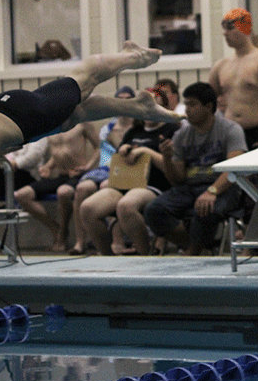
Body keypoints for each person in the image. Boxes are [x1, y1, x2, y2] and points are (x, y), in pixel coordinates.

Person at [0, 41, 176, 179]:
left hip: (21, 117)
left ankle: (132, 55)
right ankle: (139, 107)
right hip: (3, 113)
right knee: (71, 117)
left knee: (83, 81)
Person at [209, 9, 258, 241]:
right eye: (223, 28)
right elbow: (206, 102)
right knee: (240, 195)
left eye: (230, 27)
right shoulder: (221, 66)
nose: (225, 33)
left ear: (246, 28)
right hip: (233, 137)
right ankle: (248, 244)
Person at [143, 82, 247, 256]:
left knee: (205, 210)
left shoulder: (231, 130)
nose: (187, 109)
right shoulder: (181, 135)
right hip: (190, 188)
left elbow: (234, 169)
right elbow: (177, 179)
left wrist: (212, 191)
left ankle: (193, 252)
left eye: (192, 104)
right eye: (187, 104)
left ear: (208, 107)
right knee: (153, 210)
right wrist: (167, 158)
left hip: (223, 187)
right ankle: (197, 249)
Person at [79, 89, 180, 255]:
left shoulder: (172, 131)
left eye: (156, 107)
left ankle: (144, 256)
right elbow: (119, 160)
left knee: (126, 205)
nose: (150, 111)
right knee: (88, 208)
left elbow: (175, 168)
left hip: (153, 185)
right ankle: (108, 257)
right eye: (146, 107)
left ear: (164, 110)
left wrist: (146, 152)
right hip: (125, 183)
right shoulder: (133, 132)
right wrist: (123, 150)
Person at [67, 86, 137, 255]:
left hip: (126, 169)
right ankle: (80, 242)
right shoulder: (108, 128)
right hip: (105, 168)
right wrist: (88, 166)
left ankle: (117, 242)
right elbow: (102, 152)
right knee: (82, 189)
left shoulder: (137, 127)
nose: (124, 102)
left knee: (107, 186)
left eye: (128, 99)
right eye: (120, 99)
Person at [14, 123, 99, 251]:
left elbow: (99, 147)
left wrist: (88, 166)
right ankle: (56, 229)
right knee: (21, 195)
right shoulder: (52, 124)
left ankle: (64, 233)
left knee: (63, 192)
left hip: (77, 175)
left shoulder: (82, 123)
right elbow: (59, 153)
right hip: (60, 175)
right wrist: (48, 166)